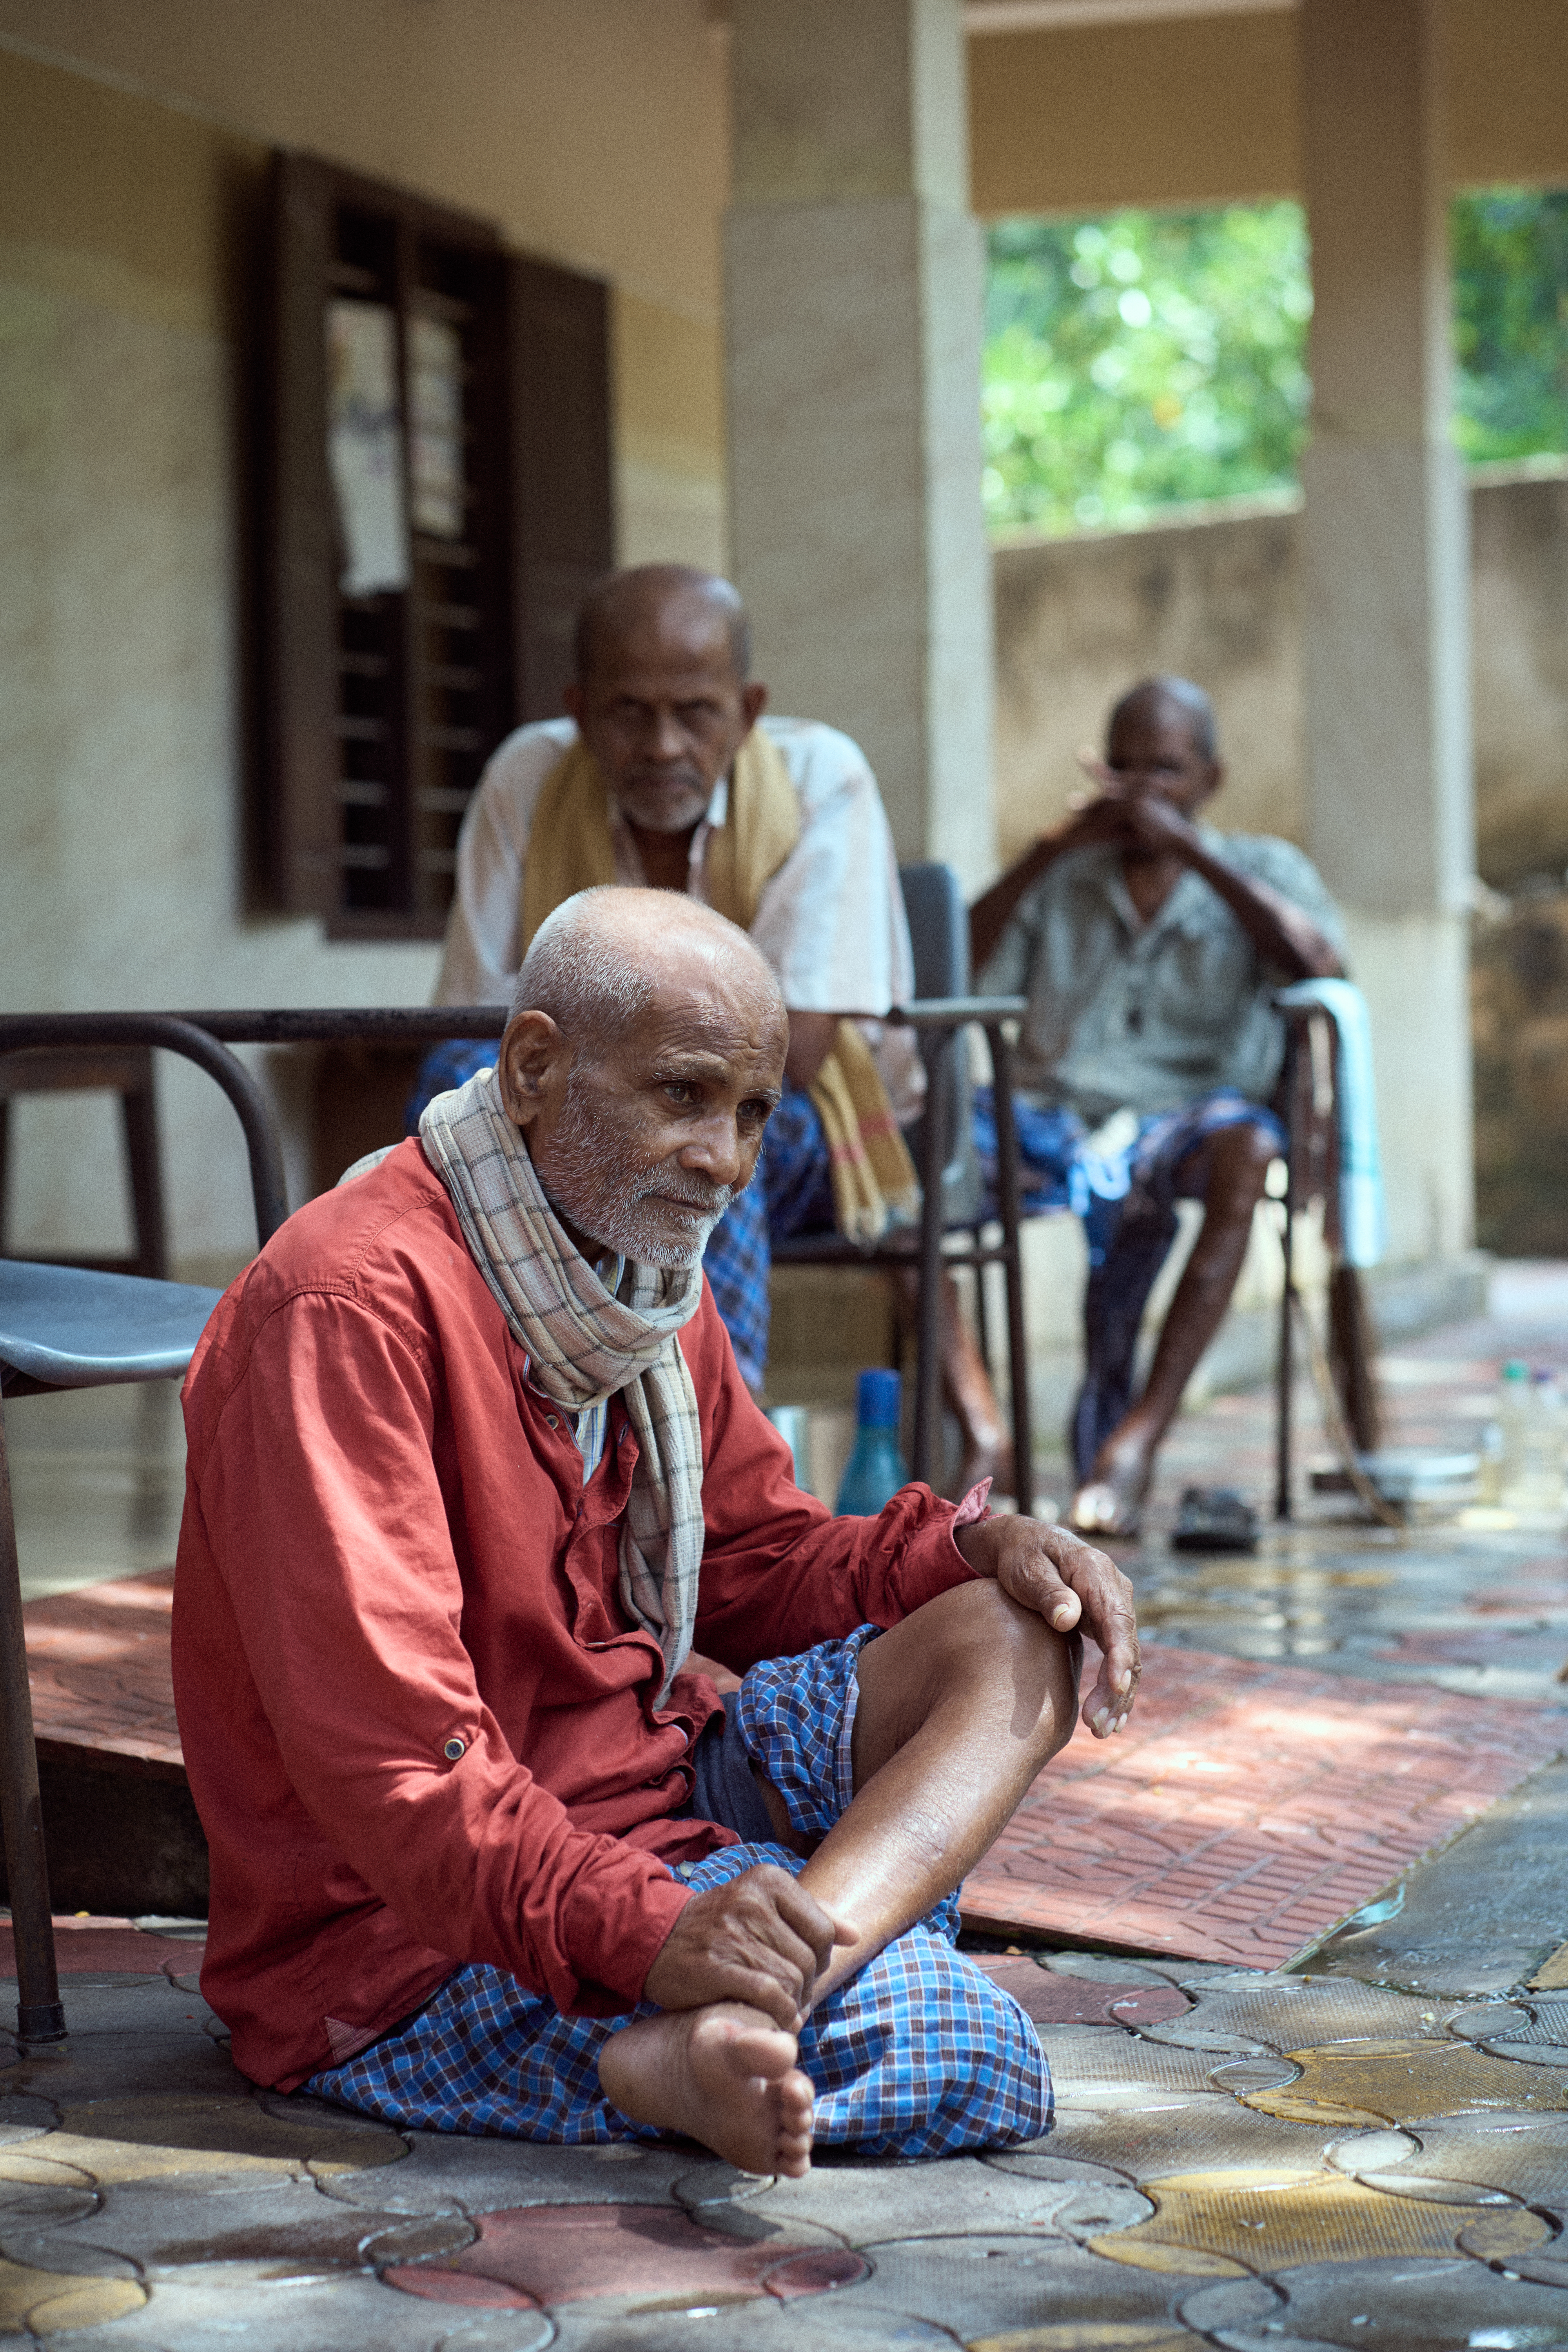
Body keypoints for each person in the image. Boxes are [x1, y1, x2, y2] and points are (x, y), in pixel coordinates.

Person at [172, 888, 1140, 2178]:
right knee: (974, 2053)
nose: (726, 1162)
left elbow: (756, 1557)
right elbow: (402, 1772)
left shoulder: (633, 1278)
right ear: (532, 1069)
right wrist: (644, 1932)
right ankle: (686, 2033)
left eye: (751, 1114)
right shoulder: (345, 1310)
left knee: (1019, 1634)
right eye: (682, 1098)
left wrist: (972, 1548)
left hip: (655, 1788)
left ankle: (760, 1997)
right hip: (406, 1937)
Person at [414, 562, 1008, 1487]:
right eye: (626, 713)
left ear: (747, 706)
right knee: (451, 1098)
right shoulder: (528, 777)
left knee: (706, 1134)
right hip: (573, 1117)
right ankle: (476, 1443)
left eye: (695, 712)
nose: (660, 745)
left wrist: (616, 1090)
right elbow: (471, 1020)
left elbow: (789, 1056)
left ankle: (693, 1472)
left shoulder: (819, 779)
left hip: (805, 1126)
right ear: (578, 709)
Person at [971, 675, 1346, 1539]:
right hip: (1049, 1118)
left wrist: (1195, 855)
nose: (1143, 794)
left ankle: (1133, 1444)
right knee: (903, 1152)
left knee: (1247, 1152)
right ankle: (983, 1429)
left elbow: (1322, 968)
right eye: (1125, 771)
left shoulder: (1261, 869)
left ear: (1210, 778)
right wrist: (1050, 845)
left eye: (1167, 772)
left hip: (1187, 1121)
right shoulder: (1062, 873)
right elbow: (951, 962)